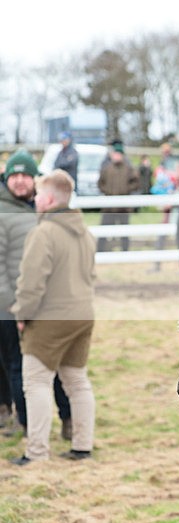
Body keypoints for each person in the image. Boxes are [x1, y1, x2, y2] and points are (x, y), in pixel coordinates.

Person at [10, 170, 96, 465]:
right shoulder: (84, 231)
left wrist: (22, 313)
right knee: (76, 380)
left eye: (37, 195)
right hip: (83, 314)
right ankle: (82, 446)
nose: (34, 200)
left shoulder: (43, 232)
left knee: (35, 382)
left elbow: (31, 282)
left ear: (47, 199)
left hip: (50, 318)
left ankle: (36, 453)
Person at [0, 151, 72, 439]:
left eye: (25, 175)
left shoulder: (44, 207)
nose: (19, 181)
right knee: (17, 365)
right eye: (13, 176)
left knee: (58, 365)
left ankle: (68, 419)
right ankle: (26, 423)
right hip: (12, 305)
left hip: (49, 303)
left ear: (34, 178)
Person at [97, 141, 139, 252]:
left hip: (123, 206)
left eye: (118, 154)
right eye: (115, 154)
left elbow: (136, 182)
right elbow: (100, 183)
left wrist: (126, 190)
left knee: (124, 230)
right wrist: (107, 191)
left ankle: (125, 250)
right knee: (104, 229)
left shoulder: (129, 169)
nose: (116, 156)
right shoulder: (107, 169)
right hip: (109, 206)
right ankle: (100, 250)